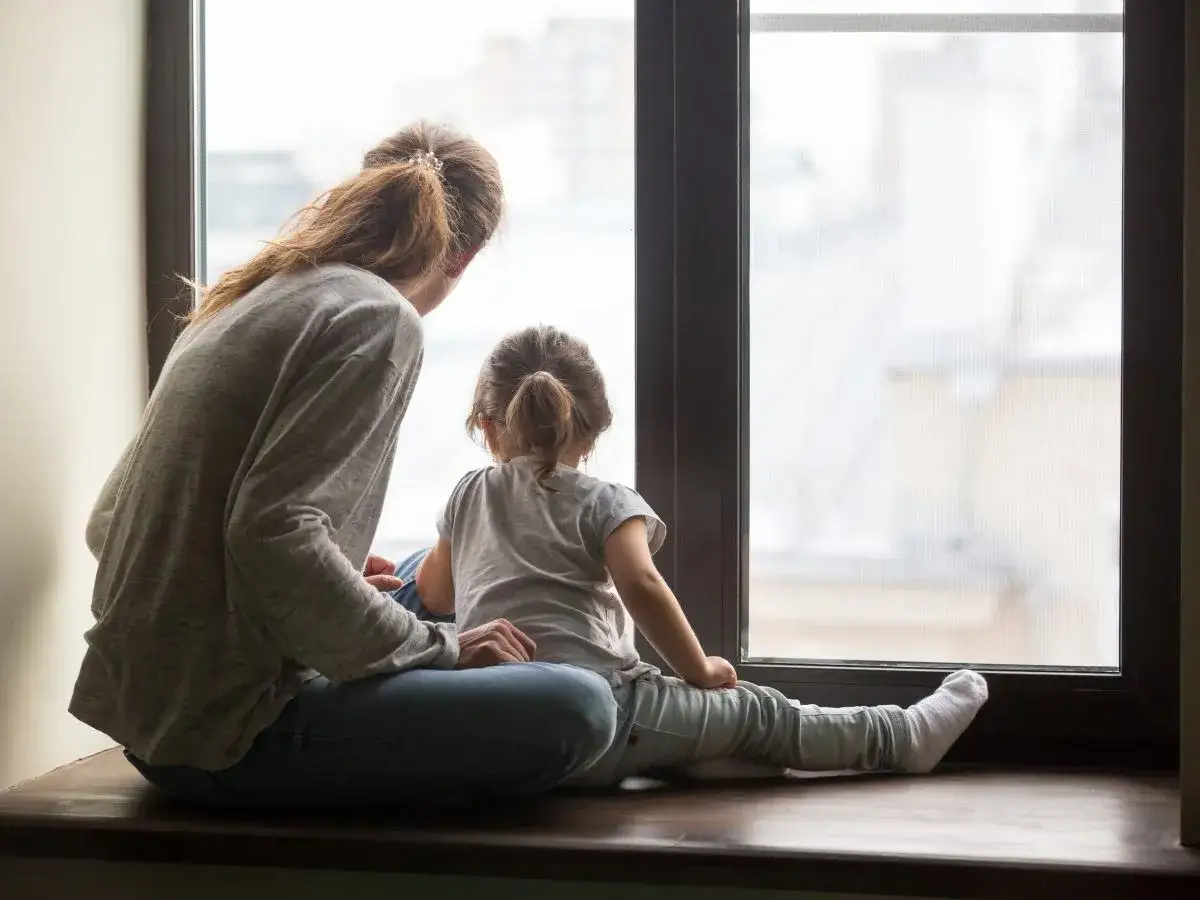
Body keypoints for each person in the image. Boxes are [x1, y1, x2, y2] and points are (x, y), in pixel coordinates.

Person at [70, 123, 618, 810]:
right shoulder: (378, 317)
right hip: (230, 735)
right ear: (466, 256)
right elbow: (272, 535)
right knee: (581, 704)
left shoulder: (242, 300)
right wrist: (443, 651)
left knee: (418, 572)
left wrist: (311, 584)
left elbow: (111, 524)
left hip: (149, 721)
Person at [405, 325, 990, 784]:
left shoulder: (467, 494)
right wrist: (701, 670)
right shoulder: (606, 502)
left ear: (486, 427)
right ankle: (900, 739)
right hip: (608, 716)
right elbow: (643, 586)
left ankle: (705, 756)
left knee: (695, 726)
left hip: (510, 730)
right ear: (590, 433)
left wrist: (389, 581)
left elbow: (435, 593)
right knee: (760, 710)